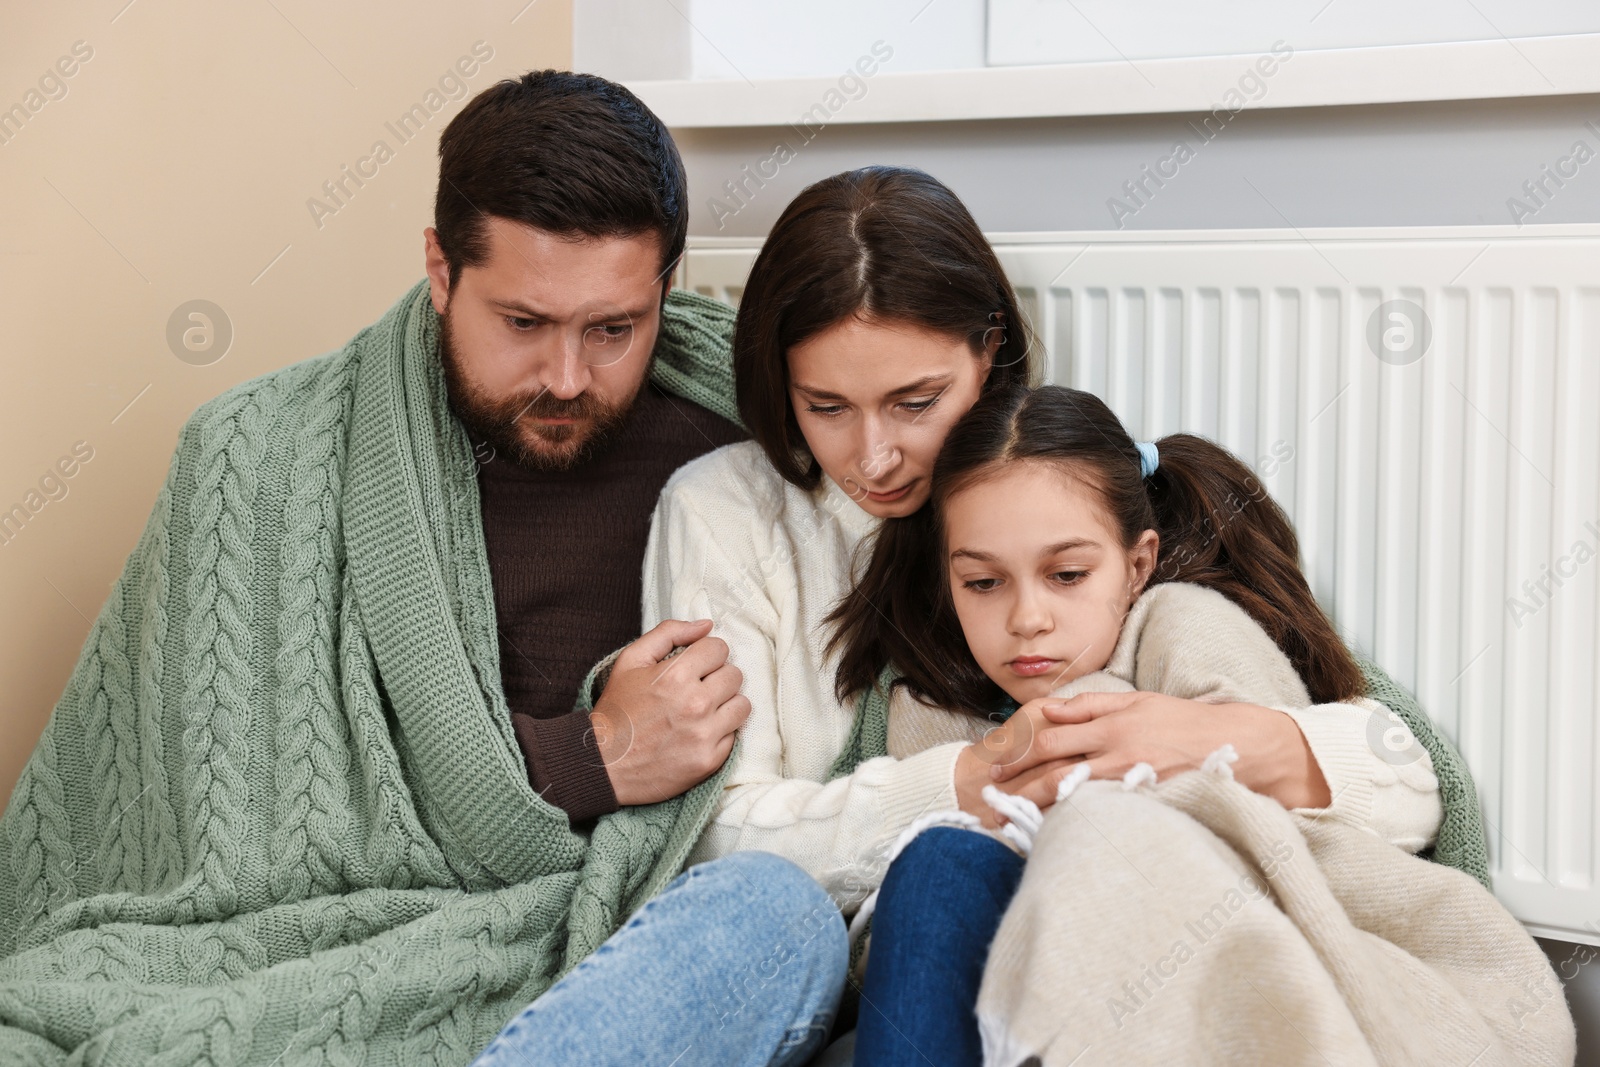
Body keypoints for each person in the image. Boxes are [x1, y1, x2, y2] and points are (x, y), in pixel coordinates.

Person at [0, 72, 845, 1066]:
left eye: (613, 328)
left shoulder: (767, 437)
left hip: (629, 943)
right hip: (351, 948)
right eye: (523, 324)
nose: (568, 377)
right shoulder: (261, 459)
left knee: (781, 919)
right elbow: (231, 828)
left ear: (665, 281)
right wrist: (591, 751)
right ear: (441, 270)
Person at [643, 166, 1486, 1056]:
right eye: (827, 408)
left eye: (916, 403)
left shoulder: (1061, 499)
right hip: (865, 929)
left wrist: (1212, 741)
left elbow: (1398, 764)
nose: (878, 457)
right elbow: (708, 844)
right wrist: (969, 783)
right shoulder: (726, 516)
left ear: (989, 351)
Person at [843, 383, 1444, 1063]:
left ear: (1137, 565)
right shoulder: (929, 714)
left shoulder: (1183, 627)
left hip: (1192, 958)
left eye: (1066, 574)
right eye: (983, 582)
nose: (1026, 618)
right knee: (939, 860)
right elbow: (887, 934)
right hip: (1016, 992)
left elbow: (1295, 837)